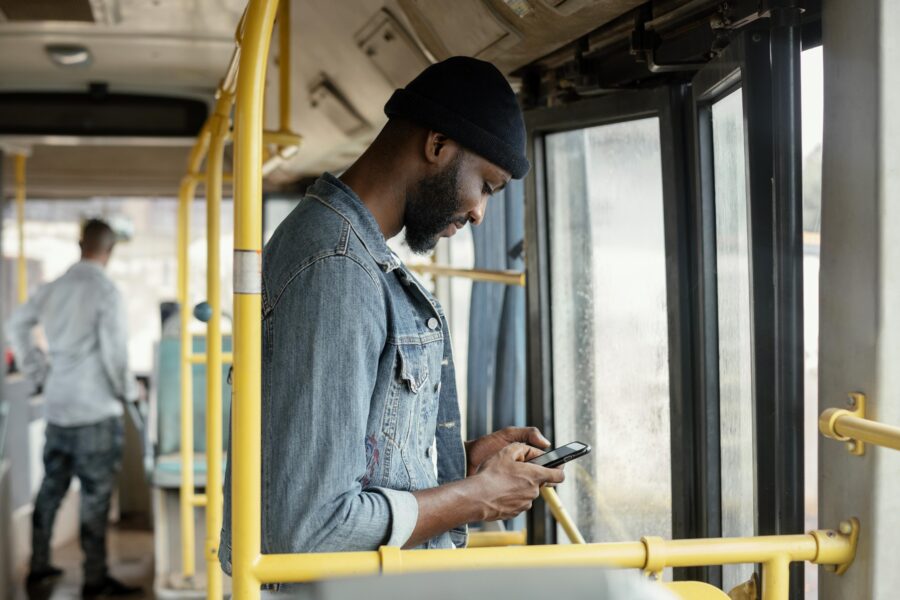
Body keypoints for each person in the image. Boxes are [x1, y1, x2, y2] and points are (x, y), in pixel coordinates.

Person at [219, 56, 564, 581]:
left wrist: (459, 461)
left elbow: (348, 457)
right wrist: (475, 498)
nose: (479, 214)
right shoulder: (337, 268)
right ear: (437, 145)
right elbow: (311, 530)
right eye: (487, 186)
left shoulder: (346, 250)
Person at [7, 219, 141, 598]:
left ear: (80, 243)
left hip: (58, 406)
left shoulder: (53, 288)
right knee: (95, 500)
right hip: (96, 412)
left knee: (50, 491)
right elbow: (115, 356)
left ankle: (38, 569)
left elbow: (16, 325)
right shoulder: (107, 292)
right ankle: (94, 580)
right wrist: (129, 393)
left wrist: (39, 372)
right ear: (110, 251)